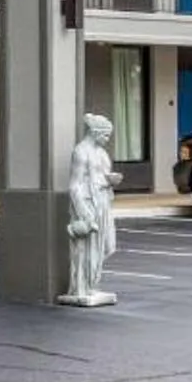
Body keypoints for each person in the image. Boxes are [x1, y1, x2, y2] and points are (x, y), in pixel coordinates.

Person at [62, 111, 121, 308]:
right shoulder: (81, 151)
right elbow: (75, 184)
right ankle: (80, 287)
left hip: (102, 200)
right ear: (95, 132)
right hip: (87, 201)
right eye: (105, 135)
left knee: (103, 244)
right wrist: (83, 211)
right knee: (85, 247)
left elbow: (101, 177)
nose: (107, 139)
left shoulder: (102, 153)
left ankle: (92, 284)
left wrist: (110, 181)